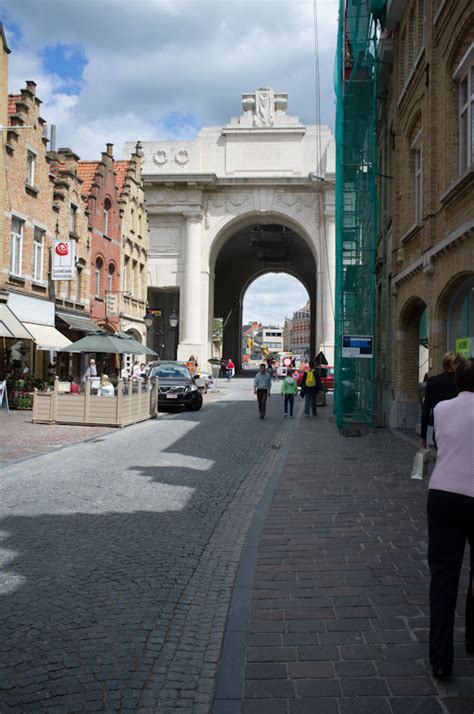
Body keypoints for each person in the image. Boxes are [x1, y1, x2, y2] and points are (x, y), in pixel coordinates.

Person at [427, 359, 474, 679]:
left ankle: (441, 658)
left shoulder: (441, 409)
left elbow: (437, 444)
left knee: (443, 578)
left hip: (443, 494)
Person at [421, 351, 462, 448]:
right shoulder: (461, 382)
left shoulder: (433, 381)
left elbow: (426, 409)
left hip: (439, 425)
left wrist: (423, 435)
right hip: (458, 425)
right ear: (455, 364)